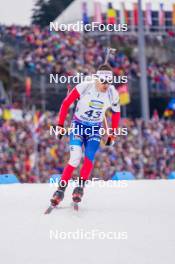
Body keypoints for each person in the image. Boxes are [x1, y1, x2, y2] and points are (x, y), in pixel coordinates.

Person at [50, 64, 121, 207]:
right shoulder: (86, 85)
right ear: (97, 79)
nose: (106, 85)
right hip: (78, 126)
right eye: (103, 82)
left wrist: (113, 133)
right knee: (75, 158)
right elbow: (66, 103)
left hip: (94, 129)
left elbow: (116, 113)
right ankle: (60, 190)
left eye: (109, 82)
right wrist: (60, 125)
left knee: (89, 157)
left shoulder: (112, 92)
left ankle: (79, 188)